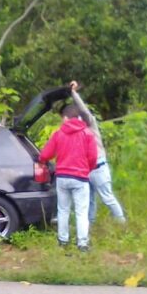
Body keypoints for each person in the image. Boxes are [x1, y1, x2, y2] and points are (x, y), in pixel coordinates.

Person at [39, 104, 98, 251]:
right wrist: (86, 170)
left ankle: (63, 241)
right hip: (80, 177)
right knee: (81, 212)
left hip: (62, 177)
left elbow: (45, 155)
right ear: (77, 117)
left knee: (63, 210)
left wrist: (40, 160)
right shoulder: (88, 133)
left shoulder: (59, 134)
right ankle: (82, 244)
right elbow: (93, 157)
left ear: (66, 118)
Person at [69, 81, 127, 224]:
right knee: (89, 199)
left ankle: (122, 223)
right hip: (87, 170)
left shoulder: (90, 125)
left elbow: (84, 110)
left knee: (107, 197)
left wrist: (73, 93)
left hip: (99, 168)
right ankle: (91, 224)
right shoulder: (77, 133)